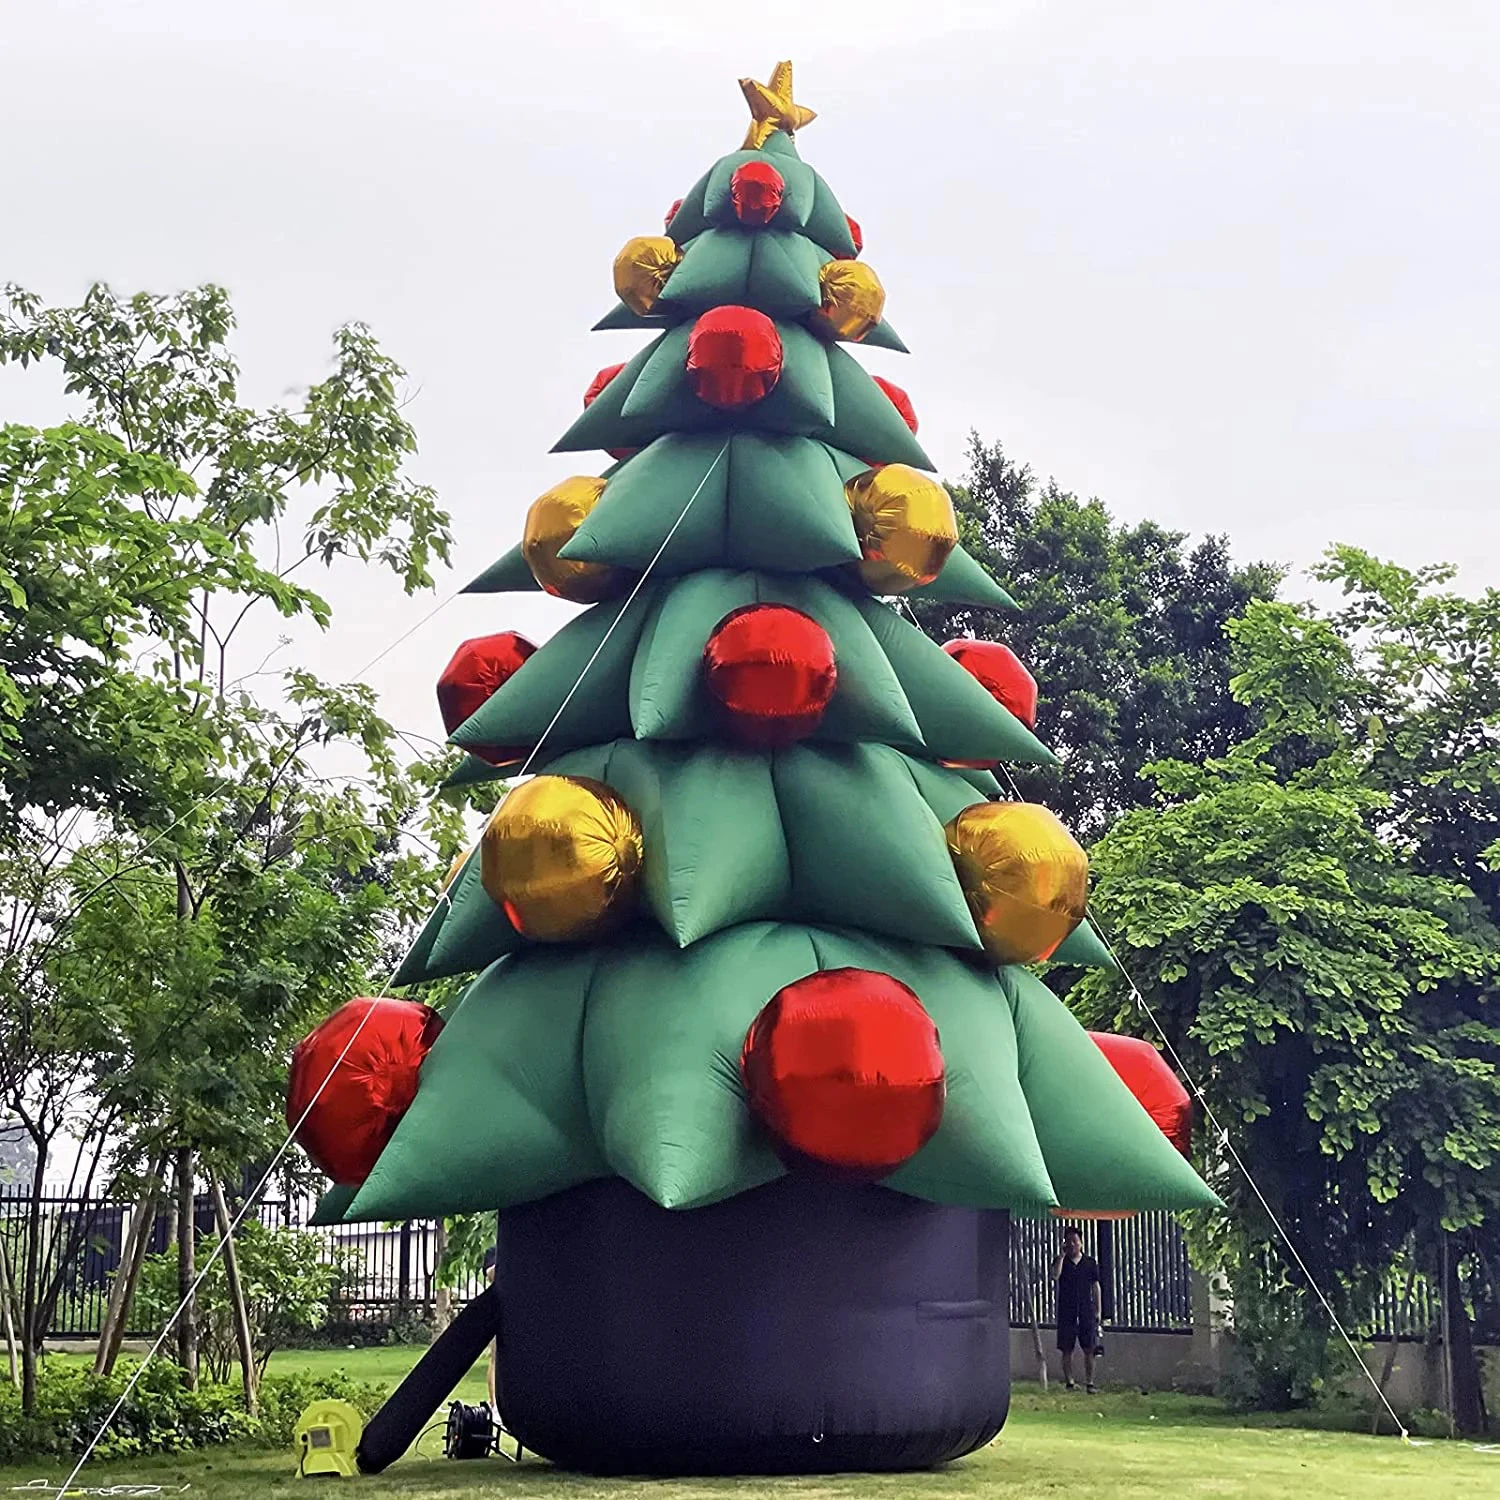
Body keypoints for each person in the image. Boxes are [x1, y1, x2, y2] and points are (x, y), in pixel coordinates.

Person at [1050, 1225, 1102, 1392]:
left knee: (1090, 1348)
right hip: (1067, 1310)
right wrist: (1061, 1256)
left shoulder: (1089, 1263)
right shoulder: (1061, 1262)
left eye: (1075, 1241)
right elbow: (1055, 1276)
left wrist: (1098, 1310)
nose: (1072, 1244)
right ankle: (1070, 1382)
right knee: (1067, 1348)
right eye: (1068, 1241)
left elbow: (1096, 1286)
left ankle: (1090, 1382)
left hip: (1085, 1309)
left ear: (1081, 1243)